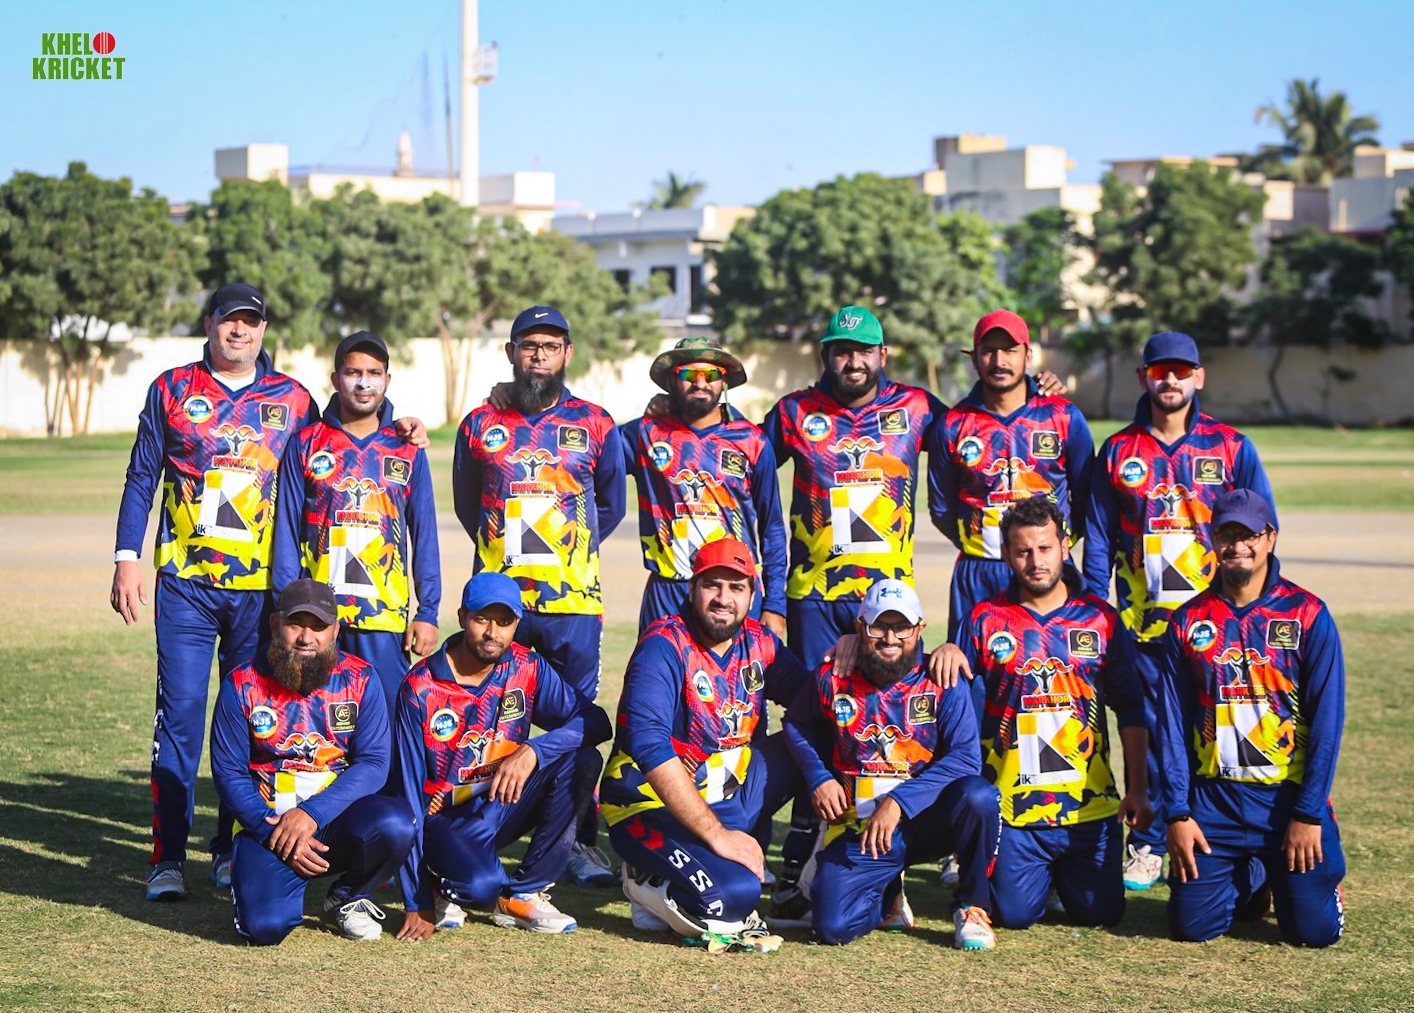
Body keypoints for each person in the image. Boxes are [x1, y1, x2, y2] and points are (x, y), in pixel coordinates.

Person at [110, 283, 425, 900]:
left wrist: (397, 421)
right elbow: (142, 474)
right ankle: (166, 859)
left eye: (251, 322)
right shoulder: (171, 388)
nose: (240, 331)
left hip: (264, 599)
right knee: (179, 719)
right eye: (229, 320)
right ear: (209, 323)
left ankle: (230, 848)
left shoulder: (292, 398)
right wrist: (126, 557)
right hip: (187, 585)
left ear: (262, 331)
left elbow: (345, 434)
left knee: (257, 724)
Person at [1084, 331, 1276, 891]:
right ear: (1142, 377)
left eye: (1181, 370)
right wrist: (1095, 609)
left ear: (1199, 377)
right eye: (1159, 370)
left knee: (1215, 729)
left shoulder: (1232, 446)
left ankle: (1224, 838)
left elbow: (1265, 529)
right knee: (1146, 731)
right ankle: (1145, 842)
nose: (1170, 379)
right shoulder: (1117, 451)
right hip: (1143, 626)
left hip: (1216, 625)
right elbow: (1099, 538)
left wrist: (1258, 609)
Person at [452, 305, 626, 888]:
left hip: (572, 605)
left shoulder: (596, 423)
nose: (539, 356)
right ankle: (477, 831)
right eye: (529, 345)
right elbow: (469, 504)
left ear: (567, 354)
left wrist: (567, 555)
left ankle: (577, 841)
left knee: (573, 724)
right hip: (500, 606)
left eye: (551, 346)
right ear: (511, 352)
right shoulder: (480, 423)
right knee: (489, 717)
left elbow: (610, 506)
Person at [942, 495, 1151, 931]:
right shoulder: (984, 619)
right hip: (1016, 811)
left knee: (1102, 914)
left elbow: (1131, 708)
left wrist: (1138, 789)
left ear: (1064, 546)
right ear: (1006, 554)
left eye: (1044, 548)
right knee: (1014, 916)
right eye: (1023, 551)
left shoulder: (1101, 619)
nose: (1035, 562)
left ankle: (1061, 876)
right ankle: (1017, 875)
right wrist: (944, 649)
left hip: (1087, 809)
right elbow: (947, 693)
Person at [599, 538, 808, 952]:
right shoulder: (664, 644)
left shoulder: (760, 642)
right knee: (734, 897)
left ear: (753, 595)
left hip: (720, 790)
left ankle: (812, 875)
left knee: (817, 737)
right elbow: (649, 746)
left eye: (736, 588)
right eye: (712, 585)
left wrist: (849, 654)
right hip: (646, 802)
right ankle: (645, 881)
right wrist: (718, 836)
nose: (723, 599)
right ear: (692, 588)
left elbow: (818, 701)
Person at [1157, 490, 1345, 948]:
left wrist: (1308, 813)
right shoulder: (1186, 622)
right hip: (1213, 803)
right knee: (1192, 928)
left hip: (1285, 803)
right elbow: (1171, 725)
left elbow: (1327, 723)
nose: (1238, 546)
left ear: (1270, 538)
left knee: (1312, 935)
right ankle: (1254, 876)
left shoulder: (1307, 614)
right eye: (1227, 534)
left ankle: (1319, 877)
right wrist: (1178, 813)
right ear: (1211, 539)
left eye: (1250, 535)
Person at [783, 579, 1001, 949]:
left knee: (979, 797)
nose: (889, 638)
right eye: (878, 627)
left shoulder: (942, 680)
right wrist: (818, 777)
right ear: (859, 627)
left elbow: (966, 758)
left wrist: (899, 802)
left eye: (901, 627)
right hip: (862, 827)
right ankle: (888, 899)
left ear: (920, 629)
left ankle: (972, 907)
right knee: (831, 927)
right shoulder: (833, 676)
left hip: (927, 823)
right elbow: (796, 723)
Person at [393, 572, 611, 940]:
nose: (493, 632)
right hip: (443, 821)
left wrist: (534, 750)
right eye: (482, 619)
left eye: (505, 622)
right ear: (462, 617)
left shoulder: (526, 667)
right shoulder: (421, 686)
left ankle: (523, 893)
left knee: (583, 760)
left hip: (500, 804)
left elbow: (596, 722)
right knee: (481, 889)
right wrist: (417, 902)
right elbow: (408, 797)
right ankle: (437, 882)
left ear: (517, 624)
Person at [209, 579, 414, 945]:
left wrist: (311, 814)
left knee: (397, 824)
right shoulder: (241, 683)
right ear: (275, 625)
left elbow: (374, 762)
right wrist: (273, 831)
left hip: (334, 820)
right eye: (295, 624)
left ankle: (347, 897)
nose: (306, 637)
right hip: (269, 827)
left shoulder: (360, 679)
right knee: (263, 929)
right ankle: (264, 878)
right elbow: (229, 772)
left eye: (318, 626)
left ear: (335, 630)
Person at [272, 330, 440, 711]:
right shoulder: (306, 444)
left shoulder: (408, 451)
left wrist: (427, 611)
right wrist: (286, 607)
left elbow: (425, 537)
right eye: (353, 373)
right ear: (335, 379)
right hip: (316, 619)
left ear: (387, 380)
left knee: (385, 723)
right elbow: (286, 532)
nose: (364, 383)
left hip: (383, 619)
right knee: (315, 719)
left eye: (374, 373)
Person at [928, 309, 1093, 642]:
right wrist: (980, 544)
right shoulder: (953, 425)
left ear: (1028, 356)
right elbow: (942, 508)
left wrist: (1054, 546)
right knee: (971, 666)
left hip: (1046, 568)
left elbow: (1088, 498)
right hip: (979, 571)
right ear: (974, 358)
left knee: (1047, 662)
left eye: (1010, 350)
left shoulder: (1063, 417)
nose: (999, 360)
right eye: (988, 351)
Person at [620, 336, 788, 636]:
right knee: (656, 666)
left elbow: (772, 529)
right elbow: (591, 459)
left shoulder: (752, 441)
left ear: (724, 382)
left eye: (710, 375)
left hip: (732, 590)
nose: (700, 383)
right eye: (688, 374)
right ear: (672, 381)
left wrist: (775, 605)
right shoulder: (645, 433)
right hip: (668, 591)